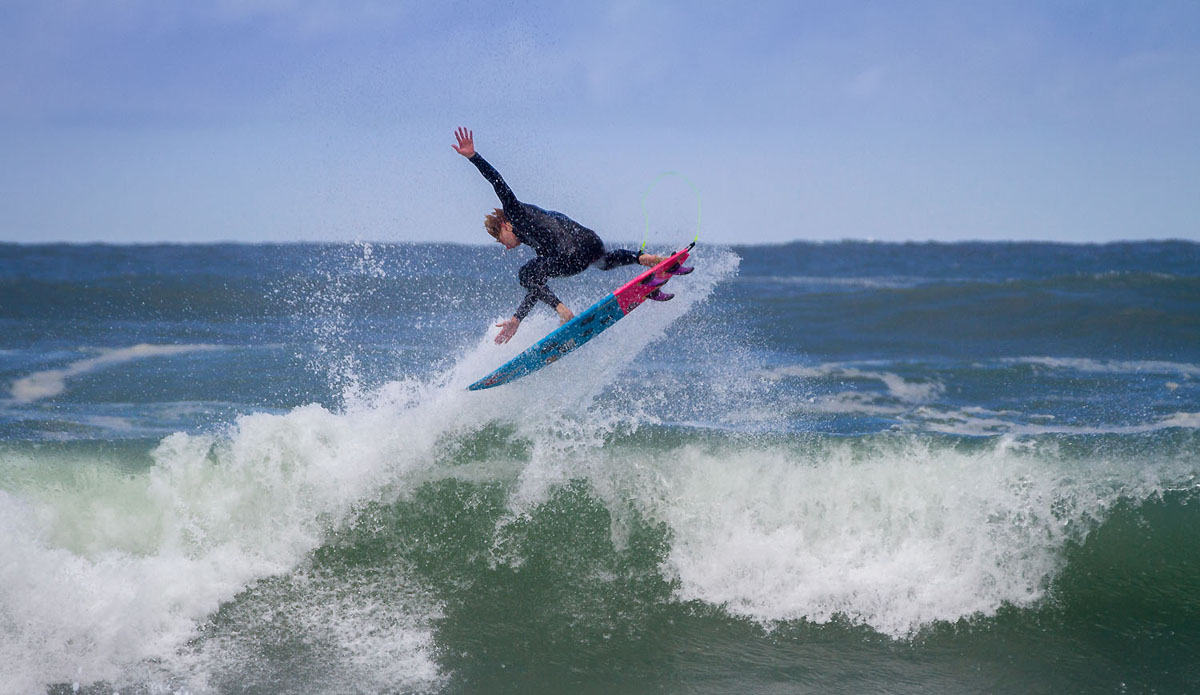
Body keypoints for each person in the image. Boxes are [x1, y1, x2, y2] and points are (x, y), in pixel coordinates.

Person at [453, 127, 664, 344]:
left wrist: (474, 157)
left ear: (504, 225)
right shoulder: (537, 236)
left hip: (570, 256)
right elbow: (537, 287)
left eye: (500, 240)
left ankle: (563, 311)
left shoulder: (515, 213)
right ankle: (643, 258)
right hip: (591, 242)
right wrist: (517, 319)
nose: (505, 247)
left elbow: (497, 182)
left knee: (525, 274)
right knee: (604, 262)